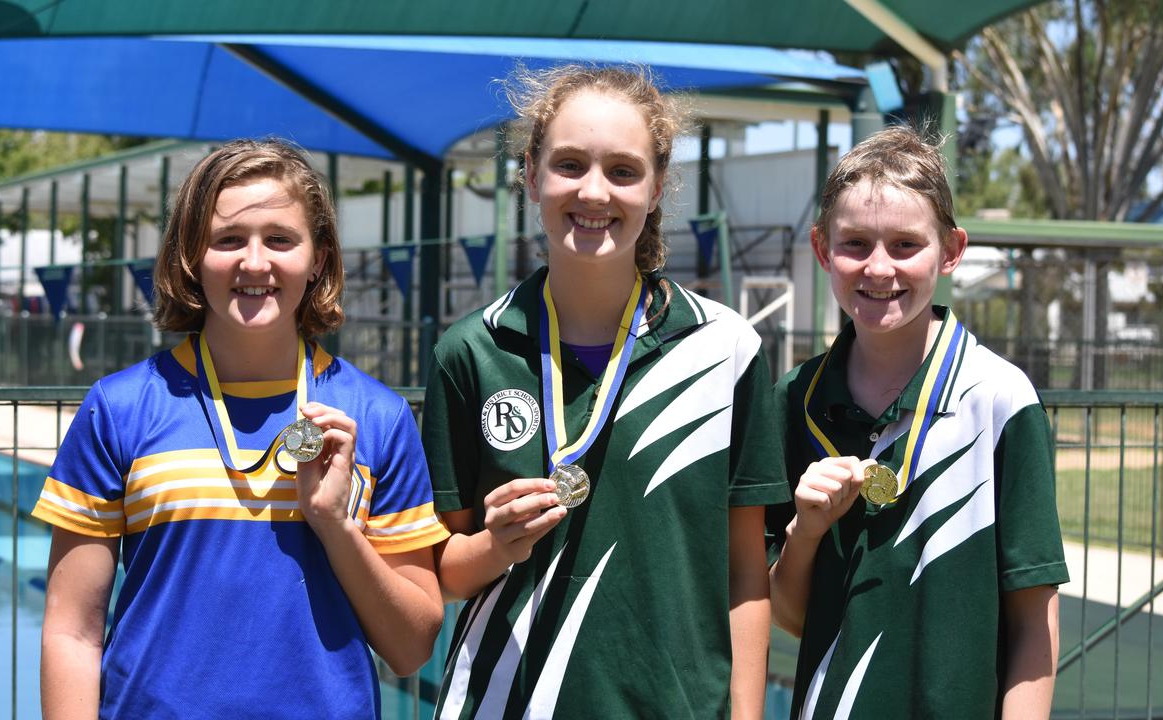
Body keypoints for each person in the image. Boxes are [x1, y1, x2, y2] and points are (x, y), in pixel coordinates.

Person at [34, 139, 449, 719]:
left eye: (280, 239)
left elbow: (411, 649)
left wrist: (334, 524)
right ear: (191, 257)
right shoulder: (120, 409)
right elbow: (72, 633)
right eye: (228, 240)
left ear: (319, 258)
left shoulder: (376, 417)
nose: (255, 262)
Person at [422, 64, 788, 719]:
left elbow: (745, 577)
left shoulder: (726, 350)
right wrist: (495, 545)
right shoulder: (470, 352)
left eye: (622, 170)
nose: (593, 192)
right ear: (531, 175)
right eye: (569, 165)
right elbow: (440, 571)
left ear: (656, 188)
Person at [766, 126, 1068, 719]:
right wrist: (805, 532)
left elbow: (1036, 620)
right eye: (855, 243)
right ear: (823, 249)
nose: (879, 269)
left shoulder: (1000, 399)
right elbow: (790, 617)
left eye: (906, 244)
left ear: (951, 251)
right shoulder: (794, 399)